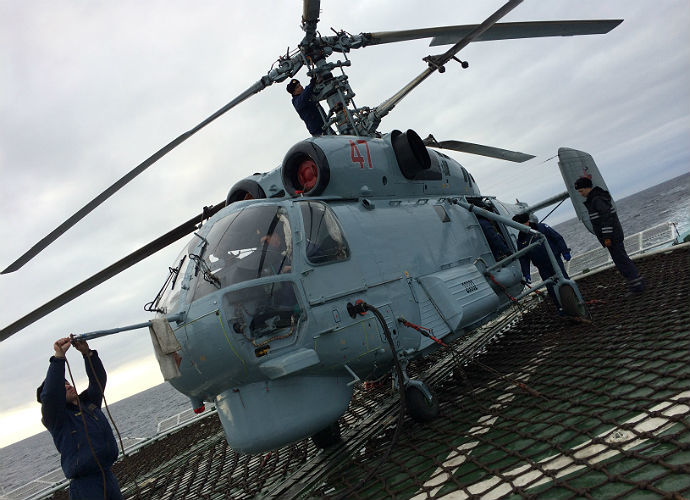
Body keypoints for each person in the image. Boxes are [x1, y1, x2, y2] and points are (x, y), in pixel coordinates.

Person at [36, 337, 122, 499]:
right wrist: (59, 356)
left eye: (68, 383)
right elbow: (50, 394)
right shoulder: (56, 418)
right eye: (62, 386)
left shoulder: (89, 403)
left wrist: (87, 354)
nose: (68, 385)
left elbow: (98, 380)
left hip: (107, 476)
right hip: (85, 486)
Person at [574, 176, 644, 292]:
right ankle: (635, 283)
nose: (580, 194)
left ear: (587, 188)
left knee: (622, 261)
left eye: (581, 191)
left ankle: (637, 286)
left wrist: (606, 237)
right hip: (612, 237)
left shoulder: (597, 200)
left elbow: (607, 218)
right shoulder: (594, 200)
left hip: (612, 237)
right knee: (621, 261)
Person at [512, 212, 572, 311]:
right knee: (551, 288)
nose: (521, 226)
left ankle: (575, 301)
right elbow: (524, 257)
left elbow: (557, 238)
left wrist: (565, 251)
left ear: (527, 222)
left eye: (523, 223)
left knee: (564, 281)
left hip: (554, 260)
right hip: (542, 266)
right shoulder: (521, 239)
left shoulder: (541, 228)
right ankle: (560, 307)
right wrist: (526, 273)